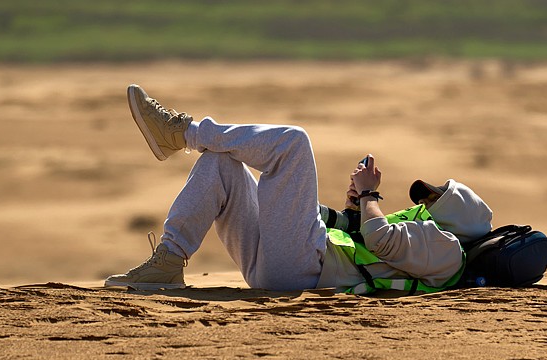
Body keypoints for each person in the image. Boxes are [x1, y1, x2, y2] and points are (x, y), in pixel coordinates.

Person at [104, 85, 493, 293]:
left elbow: (381, 240)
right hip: (290, 263)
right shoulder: (429, 239)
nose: (426, 199)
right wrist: (353, 209)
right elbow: (364, 237)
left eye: (437, 196)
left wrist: (370, 196)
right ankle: (169, 260)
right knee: (220, 163)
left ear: (461, 216)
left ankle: (183, 132)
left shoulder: (450, 251)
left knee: (294, 143)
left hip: (306, 270)